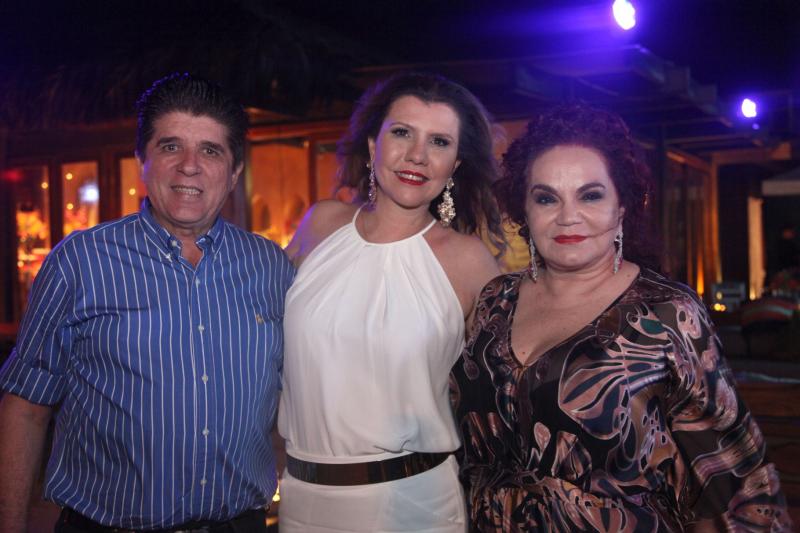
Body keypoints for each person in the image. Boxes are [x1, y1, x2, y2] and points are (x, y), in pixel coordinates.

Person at [451, 103, 791, 532]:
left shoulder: (668, 315)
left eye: (590, 195)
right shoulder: (496, 301)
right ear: (525, 209)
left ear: (623, 206)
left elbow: (732, 481)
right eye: (546, 198)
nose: (567, 216)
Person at [0, 73, 294, 532]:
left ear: (235, 171)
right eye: (171, 146)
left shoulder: (271, 267)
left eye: (211, 151)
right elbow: (25, 406)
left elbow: (290, 397)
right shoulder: (80, 262)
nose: (189, 166)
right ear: (142, 159)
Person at [277, 72, 503, 532]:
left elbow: (509, 386)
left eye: (439, 142)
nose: (417, 155)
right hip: (301, 500)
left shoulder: (467, 260)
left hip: (412, 504)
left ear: (456, 164)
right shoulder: (321, 225)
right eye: (402, 132)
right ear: (371, 145)